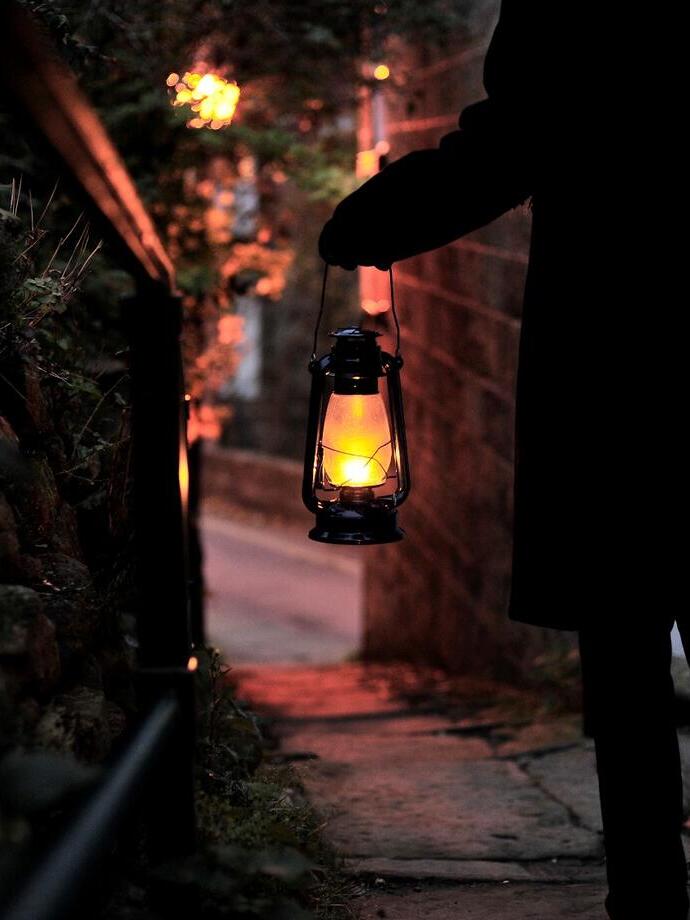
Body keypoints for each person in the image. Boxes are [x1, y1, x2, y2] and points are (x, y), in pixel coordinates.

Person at [318, 2, 687, 918]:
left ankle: (647, 896)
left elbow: (514, 142)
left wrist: (368, 221)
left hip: (622, 367)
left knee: (627, 650)